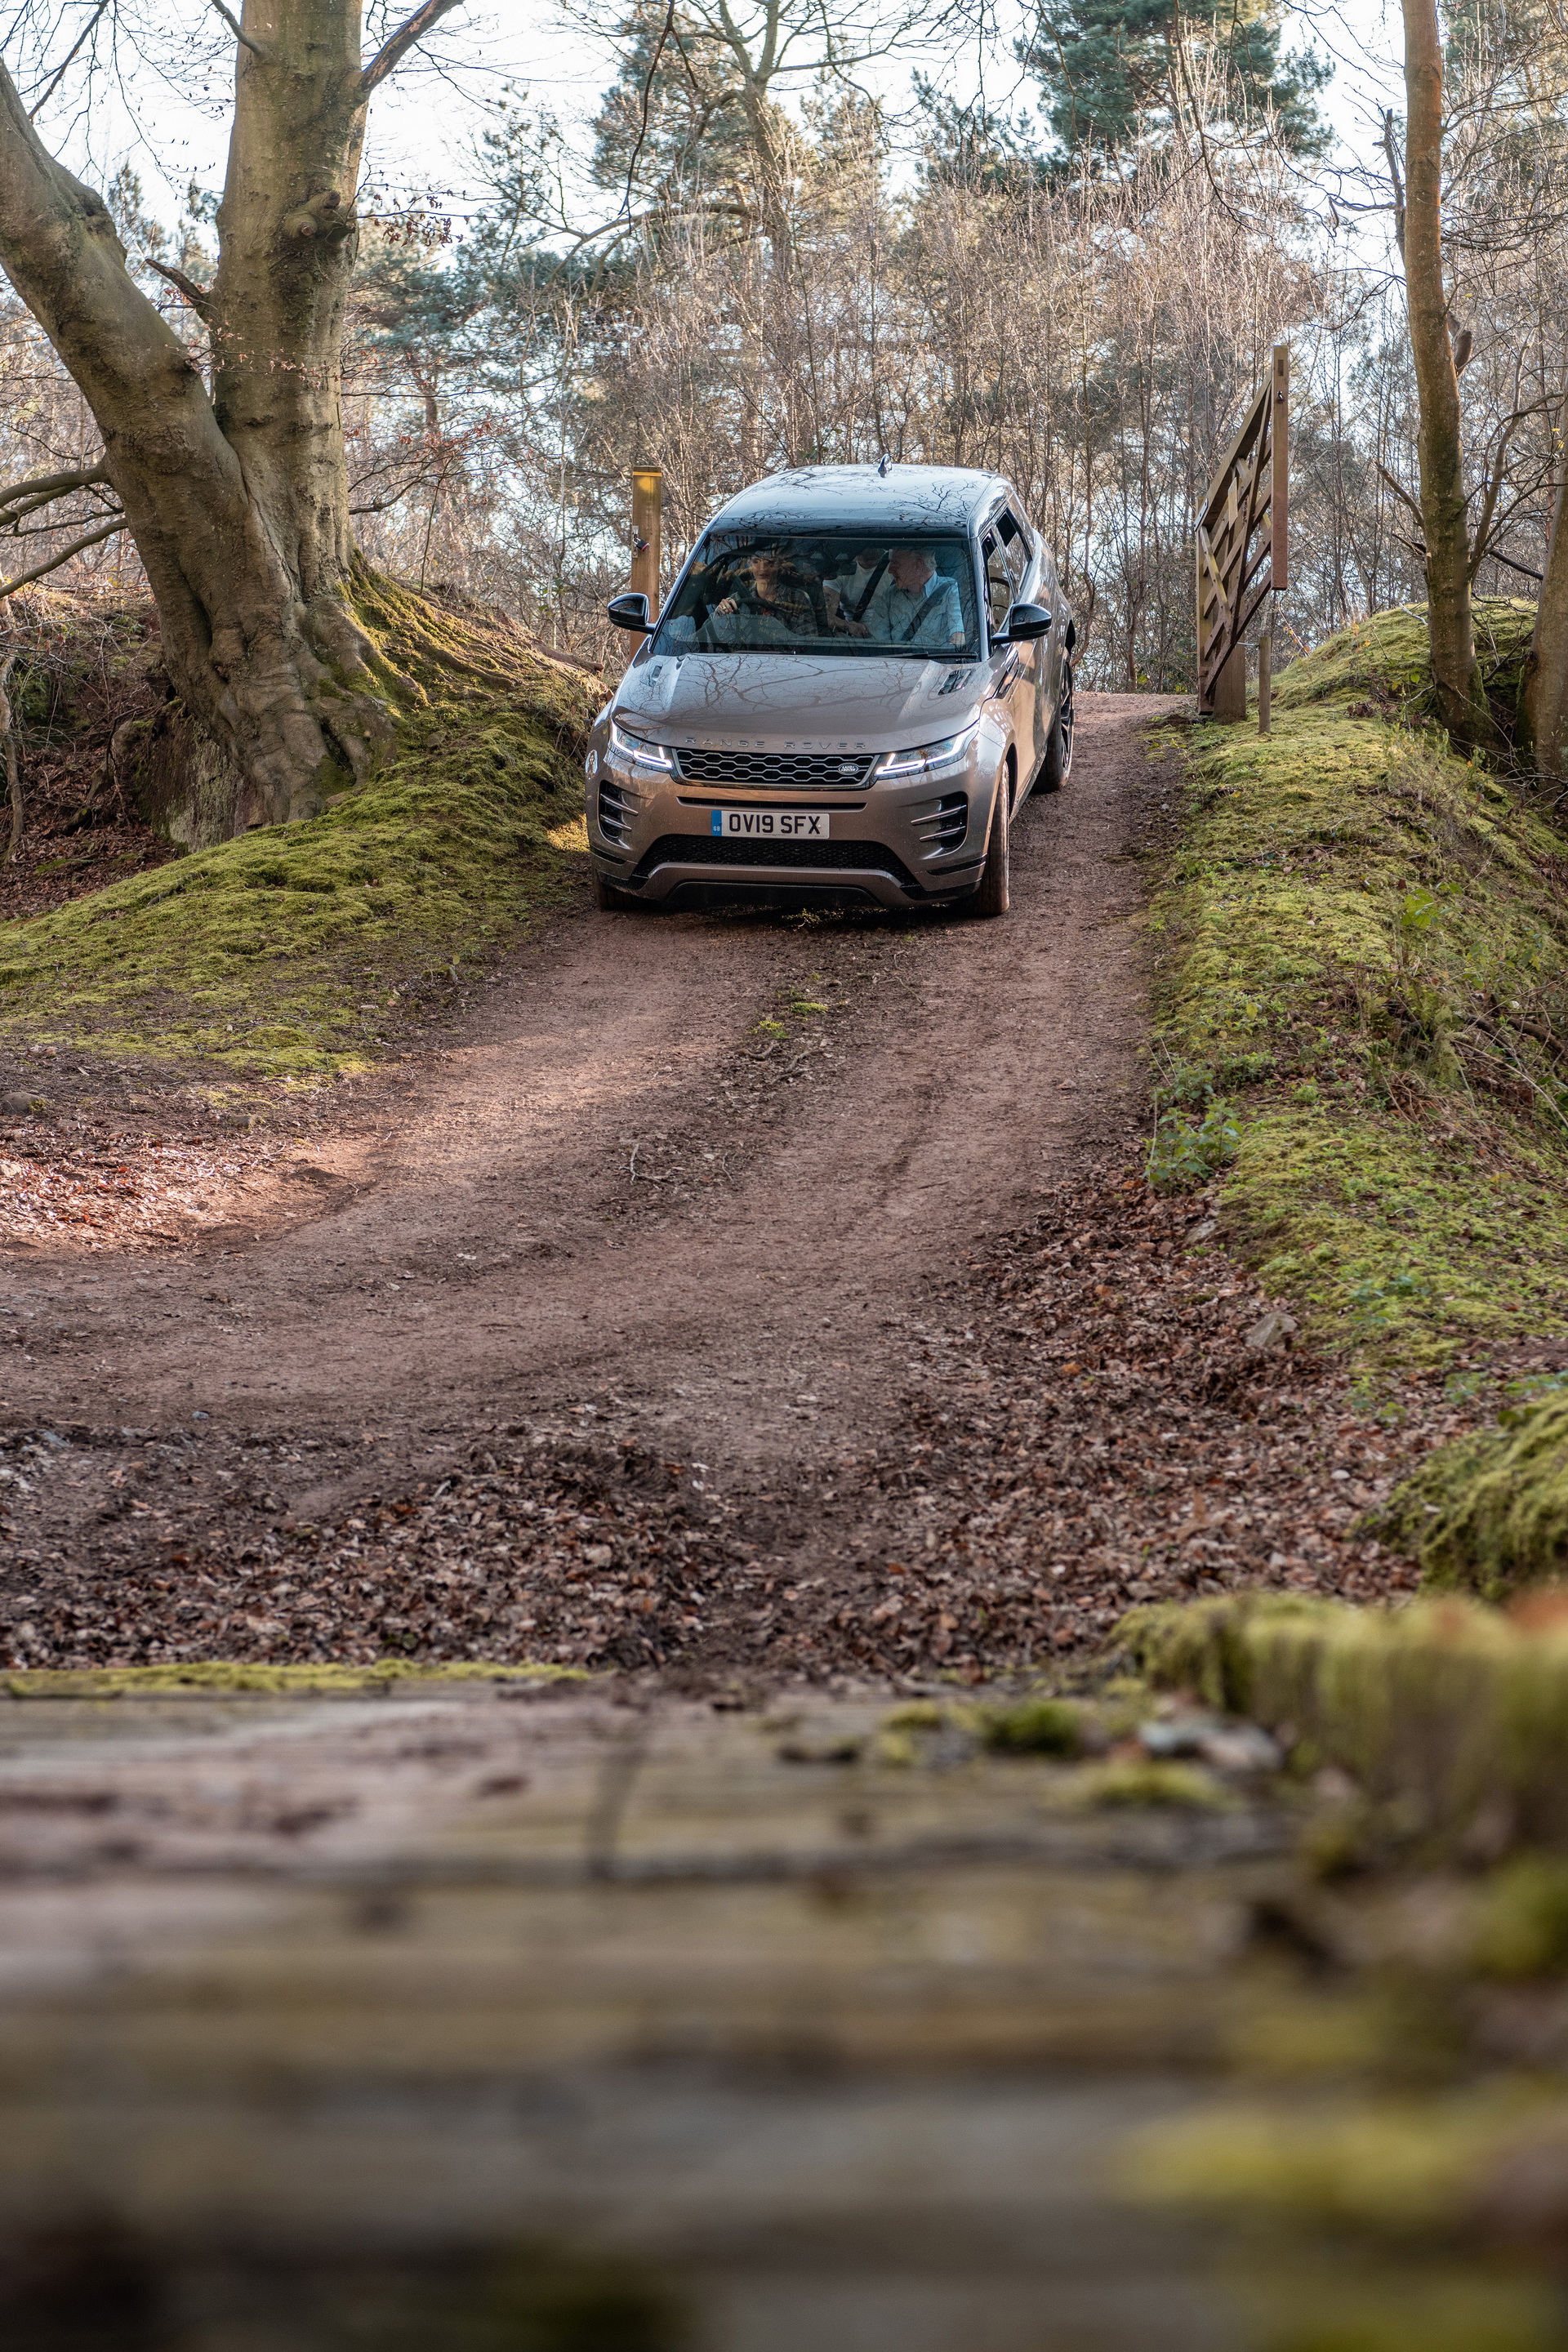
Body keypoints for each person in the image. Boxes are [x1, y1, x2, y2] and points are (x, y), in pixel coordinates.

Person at [858, 547, 966, 649]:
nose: (890, 570)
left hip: (937, 663)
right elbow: (880, 643)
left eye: (895, 563)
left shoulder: (951, 590)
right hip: (895, 664)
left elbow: (959, 635)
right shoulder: (890, 595)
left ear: (918, 566)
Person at [710, 546, 822, 642]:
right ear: (750, 565)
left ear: (779, 565)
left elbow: (808, 643)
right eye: (756, 562)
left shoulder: (798, 599)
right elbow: (720, 641)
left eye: (770, 563)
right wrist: (720, 614)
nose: (763, 569)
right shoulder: (736, 601)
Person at [824, 546, 889, 630]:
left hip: (893, 634)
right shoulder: (840, 570)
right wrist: (847, 625)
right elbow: (826, 616)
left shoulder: (896, 563)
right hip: (855, 634)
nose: (872, 544)